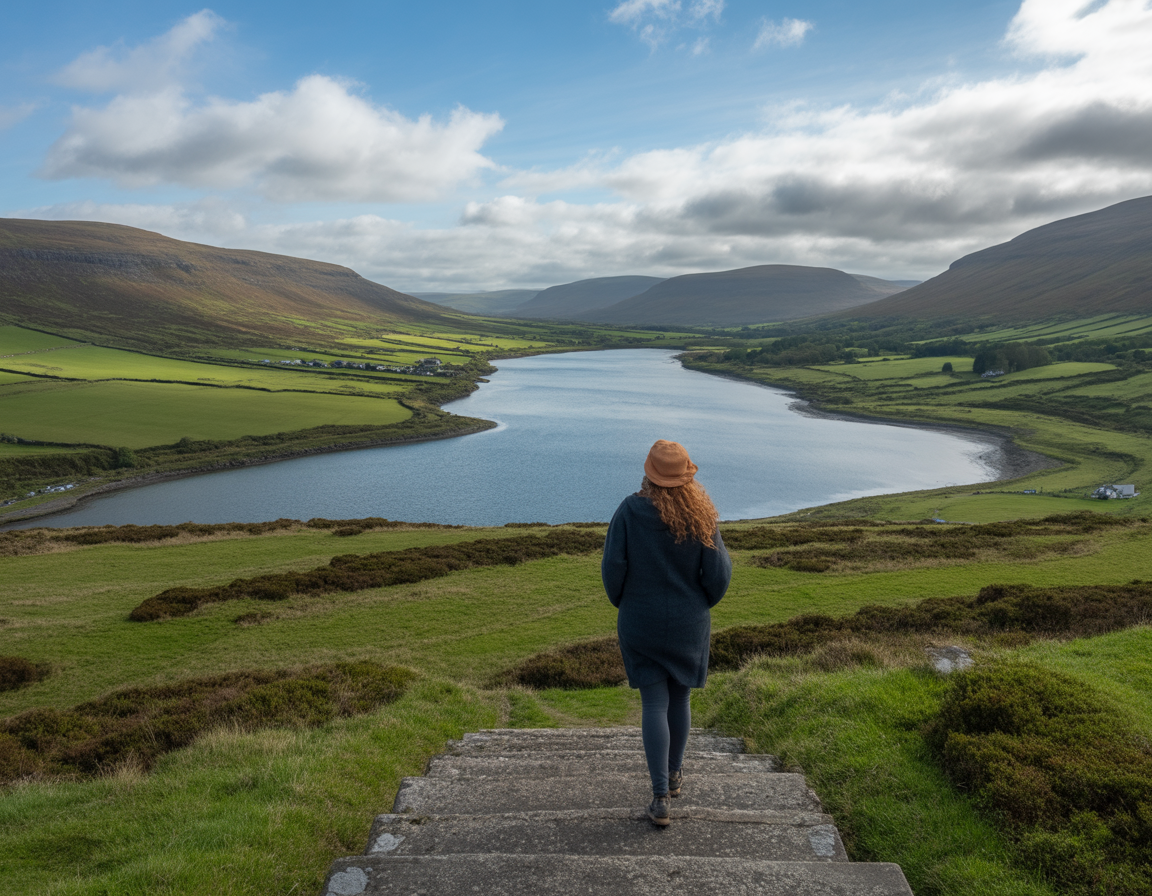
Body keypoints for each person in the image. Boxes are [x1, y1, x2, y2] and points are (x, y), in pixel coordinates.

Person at [601, 439, 732, 827]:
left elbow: (613, 569)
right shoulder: (701, 515)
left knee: (654, 704)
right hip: (689, 622)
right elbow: (719, 576)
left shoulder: (629, 511)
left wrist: (626, 603)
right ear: (686, 475)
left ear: (649, 473)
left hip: (640, 620)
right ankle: (674, 776)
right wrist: (699, 604)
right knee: (680, 698)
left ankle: (660, 798)